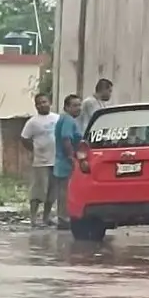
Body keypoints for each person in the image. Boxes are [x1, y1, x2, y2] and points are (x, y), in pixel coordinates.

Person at [20, 92, 59, 227]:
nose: (42, 105)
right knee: (38, 191)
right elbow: (24, 138)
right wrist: (35, 149)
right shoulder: (32, 122)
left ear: (50, 103)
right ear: (36, 106)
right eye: (39, 103)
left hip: (56, 161)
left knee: (52, 191)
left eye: (45, 102)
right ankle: (33, 219)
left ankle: (46, 218)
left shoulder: (57, 119)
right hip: (41, 162)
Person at [53, 94, 83, 230]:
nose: (78, 108)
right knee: (66, 191)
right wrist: (71, 157)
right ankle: (64, 218)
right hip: (66, 161)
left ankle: (62, 217)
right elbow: (66, 139)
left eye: (79, 105)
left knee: (63, 191)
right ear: (66, 107)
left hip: (61, 161)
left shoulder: (64, 119)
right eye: (75, 105)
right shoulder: (68, 120)